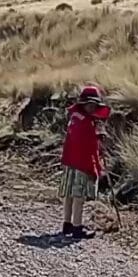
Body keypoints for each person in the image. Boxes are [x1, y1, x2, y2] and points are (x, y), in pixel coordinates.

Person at [59, 85, 110, 239]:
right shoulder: (87, 124)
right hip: (81, 165)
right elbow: (90, 149)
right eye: (90, 104)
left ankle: (67, 224)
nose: (91, 107)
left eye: (93, 105)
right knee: (78, 197)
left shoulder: (74, 118)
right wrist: (95, 169)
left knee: (69, 195)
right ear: (84, 105)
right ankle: (77, 227)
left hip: (69, 161)